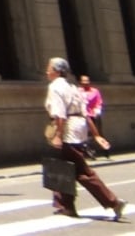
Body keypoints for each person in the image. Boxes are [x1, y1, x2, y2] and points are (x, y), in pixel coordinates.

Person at [44, 57, 123, 220]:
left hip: (67, 130)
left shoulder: (55, 87)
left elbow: (60, 113)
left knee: (81, 171)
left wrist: (58, 135)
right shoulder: (73, 87)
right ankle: (65, 206)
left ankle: (113, 201)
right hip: (78, 128)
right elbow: (85, 114)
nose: (47, 71)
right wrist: (96, 135)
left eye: (49, 68)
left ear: (57, 71)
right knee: (62, 167)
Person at [79, 75, 109, 157]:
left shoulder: (94, 91)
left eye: (87, 81)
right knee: (87, 133)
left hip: (94, 115)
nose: (85, 83)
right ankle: (89, 150)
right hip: (84, 115)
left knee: (98, 132)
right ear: (81, 82)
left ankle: (105, 150)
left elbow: (99, 102)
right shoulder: (79, 92)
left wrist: (97, 110)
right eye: (83, 82)